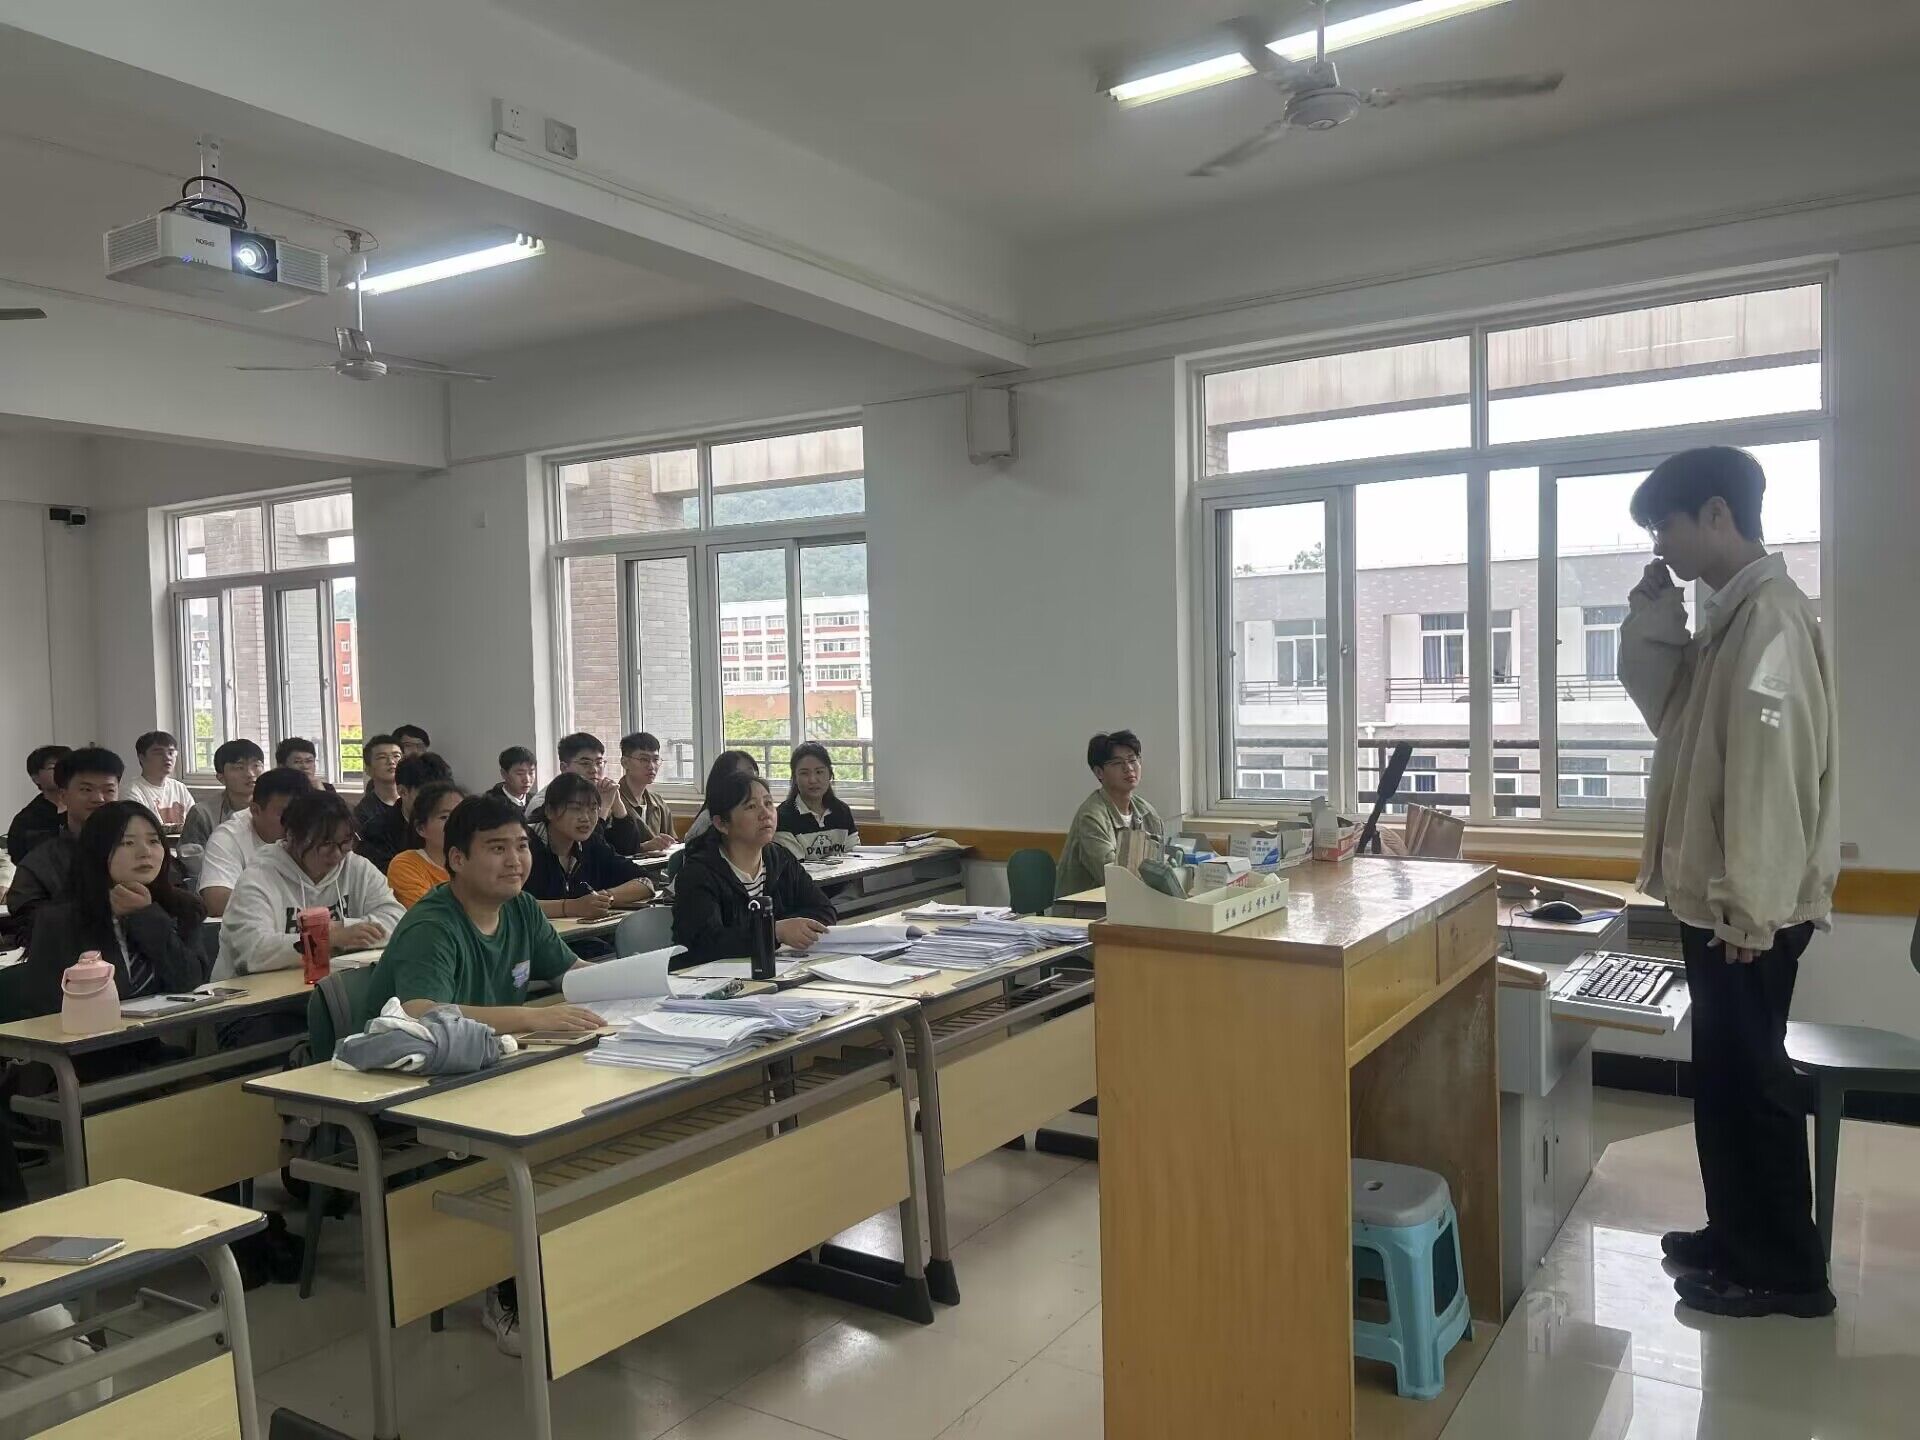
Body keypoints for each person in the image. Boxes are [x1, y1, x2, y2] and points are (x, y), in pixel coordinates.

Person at [1618, 446, 1838, 1321]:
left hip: (1748, 905)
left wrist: (1751, 906)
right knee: (1723, 1079)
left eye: (1663, 525)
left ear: (1717, 513)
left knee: (1755, 1083)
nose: (1659, 543)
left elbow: (1771, 774)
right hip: (1720, 897)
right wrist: (1652, 618)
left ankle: (1785, 1273)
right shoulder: (1726, 619)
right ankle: (1736, 1233)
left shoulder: (1771, 619)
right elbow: (1669, 718)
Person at [361, 792, 601, 1358]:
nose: (515, 860)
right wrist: (532, 1017)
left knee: (589, 1119)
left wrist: (626, 987)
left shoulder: (521, 908)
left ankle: (570, 1268)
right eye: (496, 848)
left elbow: (570, 971)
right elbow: (420, 1011)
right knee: (536, 1143)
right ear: (457, 859)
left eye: (521, 846)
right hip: (415, 1083)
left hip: (494, 1065)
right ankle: (505, 1285)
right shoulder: (433, 923)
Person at [23, 801, 208, 1016]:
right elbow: (45, 1006)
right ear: (97, 850)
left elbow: (188, 980)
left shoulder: (183, 908)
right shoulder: (60, 920)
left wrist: (146, 915)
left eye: (153, 841)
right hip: (92, 1033)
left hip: (167, 1031)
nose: (145, 852)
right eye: (127, 843)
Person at [214, 789, 404, 979]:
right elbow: (253, 950)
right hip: (254, 991)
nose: (337, 854)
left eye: (345, 843)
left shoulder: (356, 867)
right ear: (292, 836)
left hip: (329, 984)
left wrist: (343, 929)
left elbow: (398, 921)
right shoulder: (259, 877)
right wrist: (327, 939)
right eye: (326, 844)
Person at [673, 768, 833, 967]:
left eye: (768, 803)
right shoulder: (698, 873)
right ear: (721, 824)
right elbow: (705, 944)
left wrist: (787, 929)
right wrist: (774, 931)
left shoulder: (780, 859)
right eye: (751, 806)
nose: (765, 814)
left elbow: (824, 910)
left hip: (775, 967)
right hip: (709, 977)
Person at [5, 747, 123, 944]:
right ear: (63, 796)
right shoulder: (40, 863)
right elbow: (28, 927)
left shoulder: (139, 850)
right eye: (86, 790)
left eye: (109, 790)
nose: (99, 799)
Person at [525, 773, 655, 920]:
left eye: (593, 809)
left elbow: (645, 881)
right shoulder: (523, 845)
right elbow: (509, 905)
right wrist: (570, 907)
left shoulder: (591, 843)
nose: (586, 818)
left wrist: (603, 899)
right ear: (550, 811)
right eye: (576, 809)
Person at [1054, 730, 1164, 899]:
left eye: (1132, 760)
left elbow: (1160, 869)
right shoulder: (1091, 817)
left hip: (1131, 903)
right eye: (1118, 763)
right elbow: (1113, 878)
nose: (1128, 768)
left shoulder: (1148, 813)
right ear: (1099, 772)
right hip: (1085, 909)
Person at [197, 767, 312, 917]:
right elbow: (216, 901)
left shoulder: (318, 833)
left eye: (303, 814)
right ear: (255, 810)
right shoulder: (228, 837)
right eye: (285, 814)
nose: (296, 822)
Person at [529, 734, 640, 854]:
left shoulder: (603, 793)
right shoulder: (545, 801)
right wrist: (603, 808)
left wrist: (617, 803)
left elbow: (629, 849)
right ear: (564, 767)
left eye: (599, 763)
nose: (594, 769)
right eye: (585, 763)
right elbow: (589, 851)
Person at [357, 752, 453, 878]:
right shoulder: (376, 832)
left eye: (442, 795)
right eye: (428, 795)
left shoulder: (456, 823)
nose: (437, 803)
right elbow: (387, 880)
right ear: (402, 791)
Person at [181, 739, 265, 866]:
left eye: (256, 766)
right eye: (239, 767)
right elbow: (191, 860)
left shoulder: (273, 809)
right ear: (221, 777)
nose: (250, 774)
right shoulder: (202, 813)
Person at [386, 780, 467, 909]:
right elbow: (432, 915)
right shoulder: (406, 865)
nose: (457, 823)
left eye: (462, 816)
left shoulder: (477, 861)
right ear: (421, 829)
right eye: (445, 817)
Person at [775, 743, 861, 859]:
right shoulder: (783, 816)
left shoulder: (842, 811)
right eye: (804, 773)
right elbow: (794, 866)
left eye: (819, 772)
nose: (812, 780)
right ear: (794, 778)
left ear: (830, 774)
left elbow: (855, 856)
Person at [680, 750, 760, 847]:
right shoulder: (708, 820)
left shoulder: (757, 812)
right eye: (746, 775)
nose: (753, 781)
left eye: (754, 774)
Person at [6, 744, 69, 864]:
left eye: (66, 766)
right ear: (36, 778)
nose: (62, 771)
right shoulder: (26, 820)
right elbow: (19, 857)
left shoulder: (87, 807)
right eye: (54, 767)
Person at [617, 732, 677, 855]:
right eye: (644, 759)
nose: (651, 766)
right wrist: (643, 848)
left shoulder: (658, 802)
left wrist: (667, 843)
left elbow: (673, 842)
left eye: (656, 759)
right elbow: (605, 851)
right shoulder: (613, 800)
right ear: (625, 762)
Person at [124, 732, 194, 828]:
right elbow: (140, 829)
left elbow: (195, 824)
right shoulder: (131, 792)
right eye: (159, 753)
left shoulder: (179, 788)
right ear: (142, 757)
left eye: (171, 753)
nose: (167, 757)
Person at [354, 734, 403, 838]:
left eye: (396, 756)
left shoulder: (416, 800)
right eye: (382, 757)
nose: (391, 762)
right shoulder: (364, 812)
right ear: (368, 770)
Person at [491, 746, 538, 817]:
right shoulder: (490, 805)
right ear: (504, 774)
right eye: (520, 774)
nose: (527, 780)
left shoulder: (536, 802)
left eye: (531, 773)